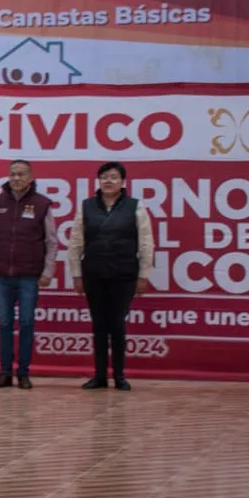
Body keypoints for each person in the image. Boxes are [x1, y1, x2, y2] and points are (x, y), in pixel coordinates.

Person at [69, 161, 154, 391]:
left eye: (114, 177)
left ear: (123, 182)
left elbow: (146, 244)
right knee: (98, 325)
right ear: (98, 181)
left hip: (124, 275)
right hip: (94, 274)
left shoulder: (136, 207)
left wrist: (143, 275)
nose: (108, 181)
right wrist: (77, 275)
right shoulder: (86, 207)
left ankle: (119, 375)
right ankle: (99, 376)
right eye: (104, 177)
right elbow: (76, 243)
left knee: (117, 325)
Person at [0, 159, 57, 390]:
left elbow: (52, 241)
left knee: (26, 323)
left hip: (29, 276)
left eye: (21, 174)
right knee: (5, 323)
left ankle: (23, 372)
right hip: (2, 275)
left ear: (30, 178)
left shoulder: (42, 204)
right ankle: (4, 372)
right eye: (13, 174)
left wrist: (47, 272)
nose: (16, 178)